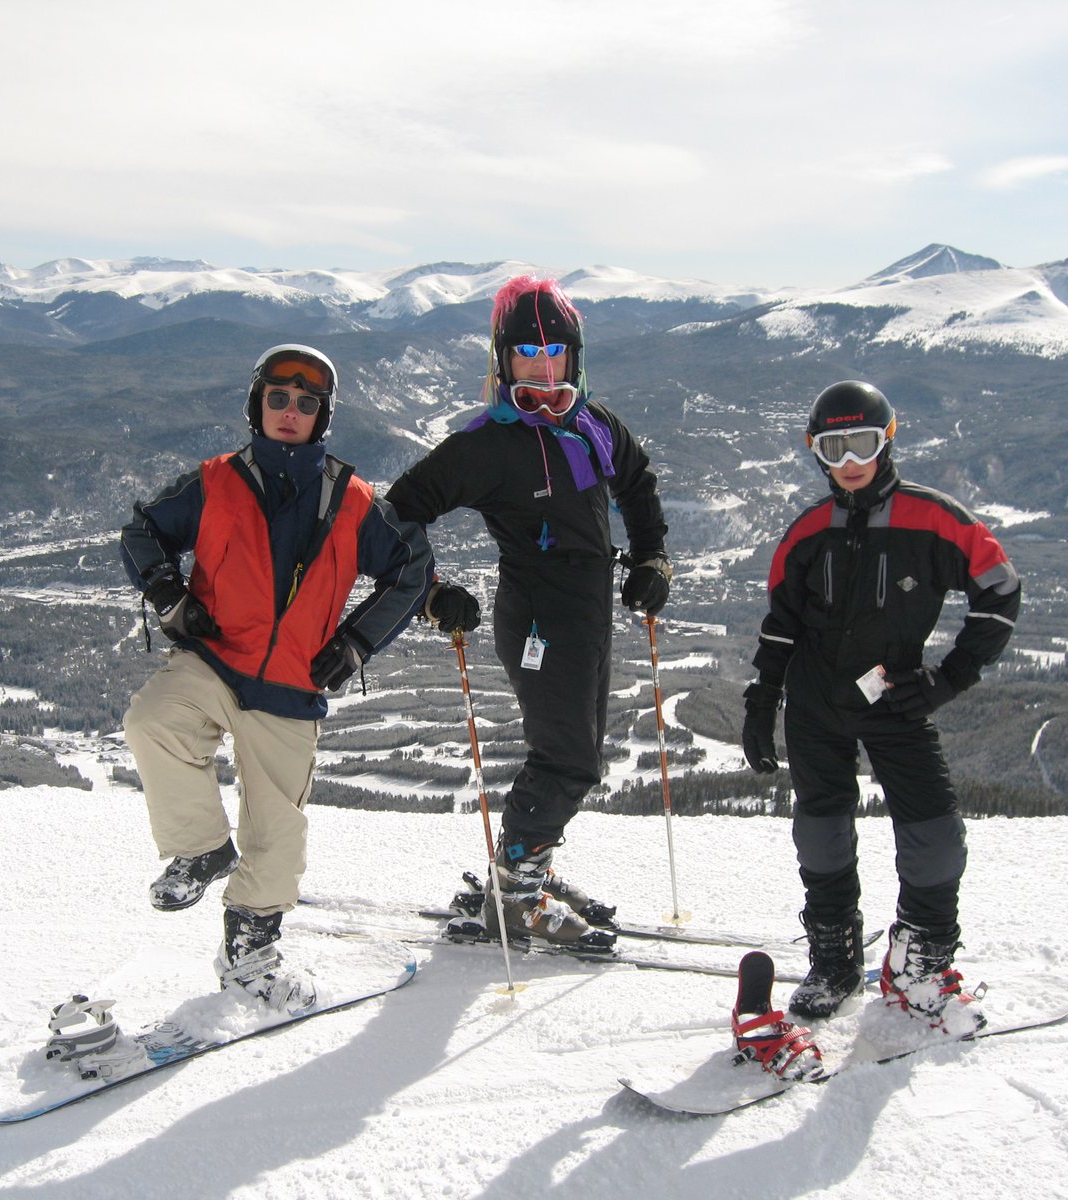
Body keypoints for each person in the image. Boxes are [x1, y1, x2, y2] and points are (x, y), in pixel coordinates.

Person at [120, 344, 432, 1012]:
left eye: (307, 403)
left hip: (291, 684)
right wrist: (171, 597)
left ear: (322, 418)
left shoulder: (352, 501)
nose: (291, 412)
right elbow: (142, 532)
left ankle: (251, 959)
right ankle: (201, 850)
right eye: (278, 399)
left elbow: (411, 571)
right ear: (257, 406)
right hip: (213, 659)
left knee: (276, 828)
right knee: (152, 722)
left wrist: (354, 644)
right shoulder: (215, 481)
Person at [386, 276, 671, 948]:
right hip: (539, 620)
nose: (542, 370)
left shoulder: (594, 425)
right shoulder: (488, 444)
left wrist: (653, 559)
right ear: (501, 361)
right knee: (569, 760)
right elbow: (396, 513)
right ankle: (515, 896)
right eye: (525, 355)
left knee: (575, 752)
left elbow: (637, 480)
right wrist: (431, 591)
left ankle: (525, 870)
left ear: (574, 360)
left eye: (554, 356)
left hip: (589, 612)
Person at [742, 380, 1020, 1033]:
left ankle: (917, 965)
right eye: (832, 448)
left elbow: (1000, 591)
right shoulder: (808, 532)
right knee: (821, 830)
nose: (848, 462)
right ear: (816, 452)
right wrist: (762, 699)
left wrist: (950, 677)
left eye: (861, 443)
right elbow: (780, 624)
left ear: (887, 439)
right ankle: (834, 960)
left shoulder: (934, 520)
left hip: (890, 695)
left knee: (935, 836)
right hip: (815, 701)